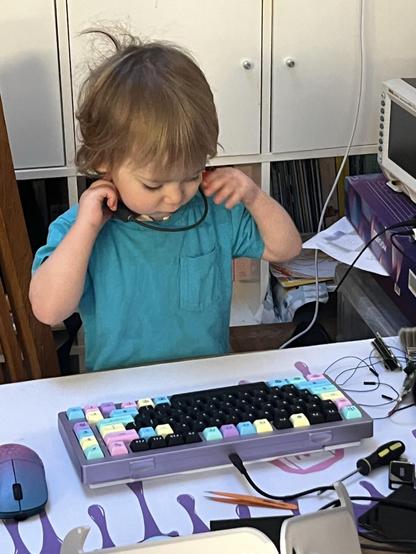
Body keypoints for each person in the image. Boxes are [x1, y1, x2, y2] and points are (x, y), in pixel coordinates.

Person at [29, 32, 301, 371]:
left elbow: (286, 249)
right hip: (118, 393)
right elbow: (49, 310)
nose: (174, 196)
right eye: (153, 183)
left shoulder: (213, 210)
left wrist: (253, 195)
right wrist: (86, 228)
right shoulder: (80, 228)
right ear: (104, 162)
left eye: (191, 175)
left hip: (203, 383)